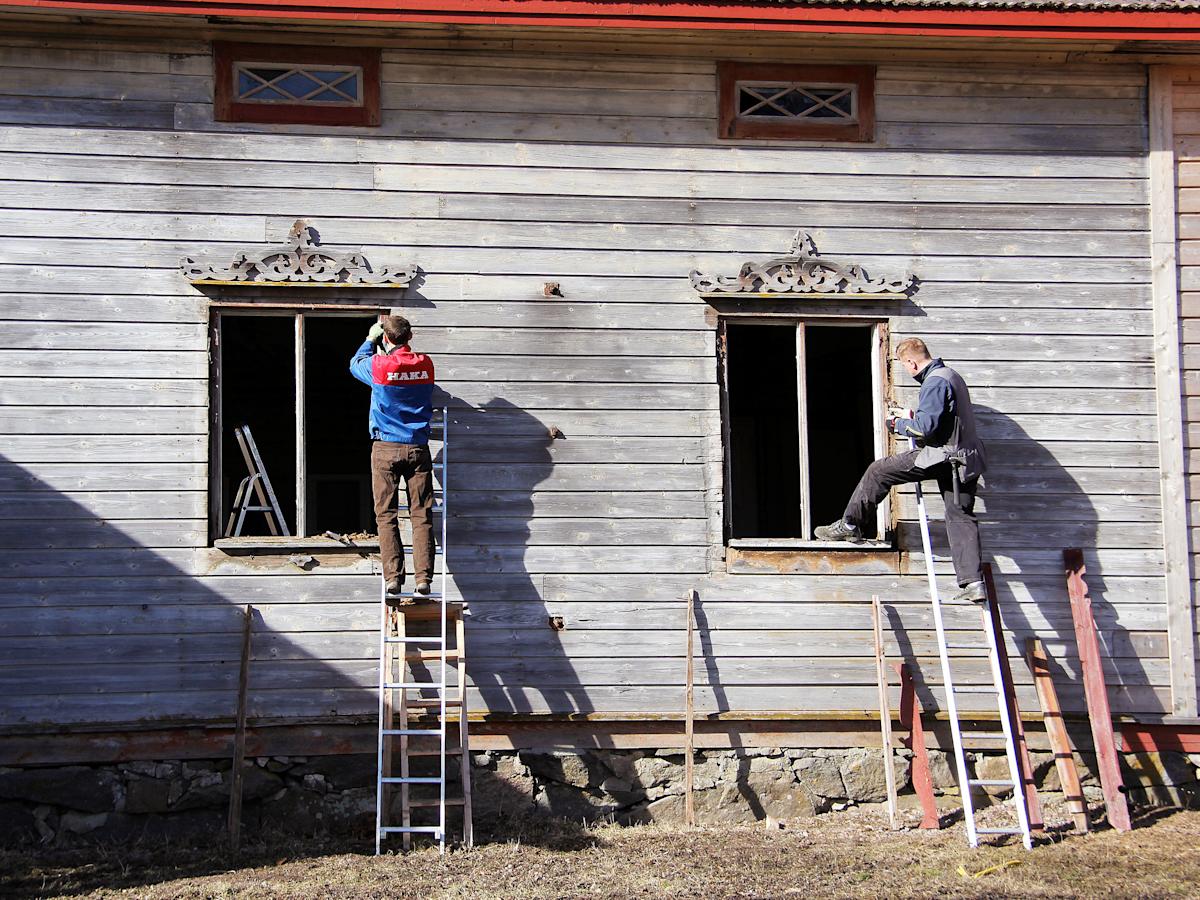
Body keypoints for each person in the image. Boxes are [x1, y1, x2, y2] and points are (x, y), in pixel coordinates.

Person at [813, 337, 988, 603]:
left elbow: (925, 430)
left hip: (943, 457)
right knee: (961, 516)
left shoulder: (934, 382)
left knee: (879, 471)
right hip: (966, 459)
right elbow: (943, 420)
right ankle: (973, 583)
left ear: (911, 362)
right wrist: (914, 416)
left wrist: (897, 424)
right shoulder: (951, 376)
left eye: (904, 365)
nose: (907, 370)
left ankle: (850, 524)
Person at [349, 315, 435, 601]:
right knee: (421, 514)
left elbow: (355, 364)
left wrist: (369, 338)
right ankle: (423, 579)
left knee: (386, 515)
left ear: (386, 338)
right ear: (410, 337)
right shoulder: (426, 364)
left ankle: (393, 579)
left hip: (385, 447)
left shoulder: (379, 365)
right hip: (418, 447)